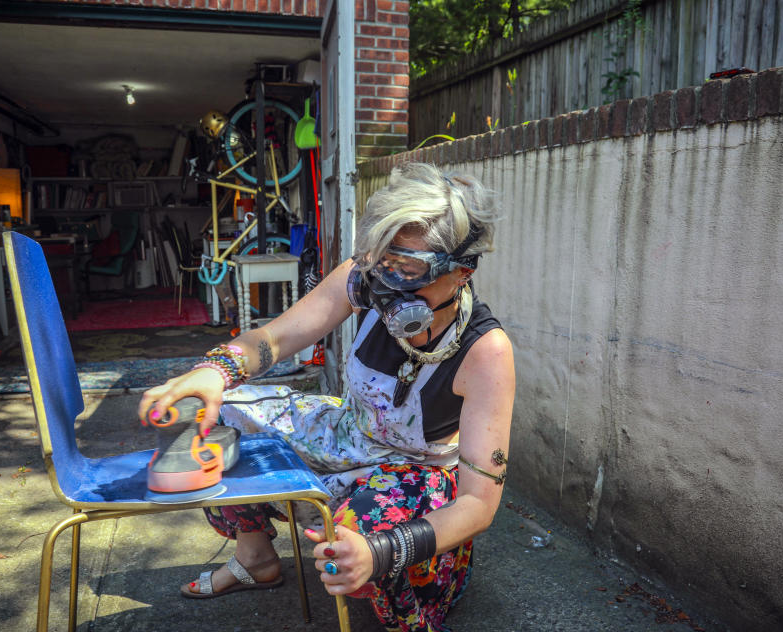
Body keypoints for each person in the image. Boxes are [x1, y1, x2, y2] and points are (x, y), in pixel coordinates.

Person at [138, 162, 516, 631]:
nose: (387, 283)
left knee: (359, 538)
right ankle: (255, 558)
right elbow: (275, 340)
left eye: (410, 270)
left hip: (416, 473)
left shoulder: (486, 353)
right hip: (348, 433)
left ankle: (397, 592)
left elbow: (479, 504)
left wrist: (381, 551)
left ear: (461, 271)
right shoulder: (363, 281)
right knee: (228, 417)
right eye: (382, 261)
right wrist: (215, 370)